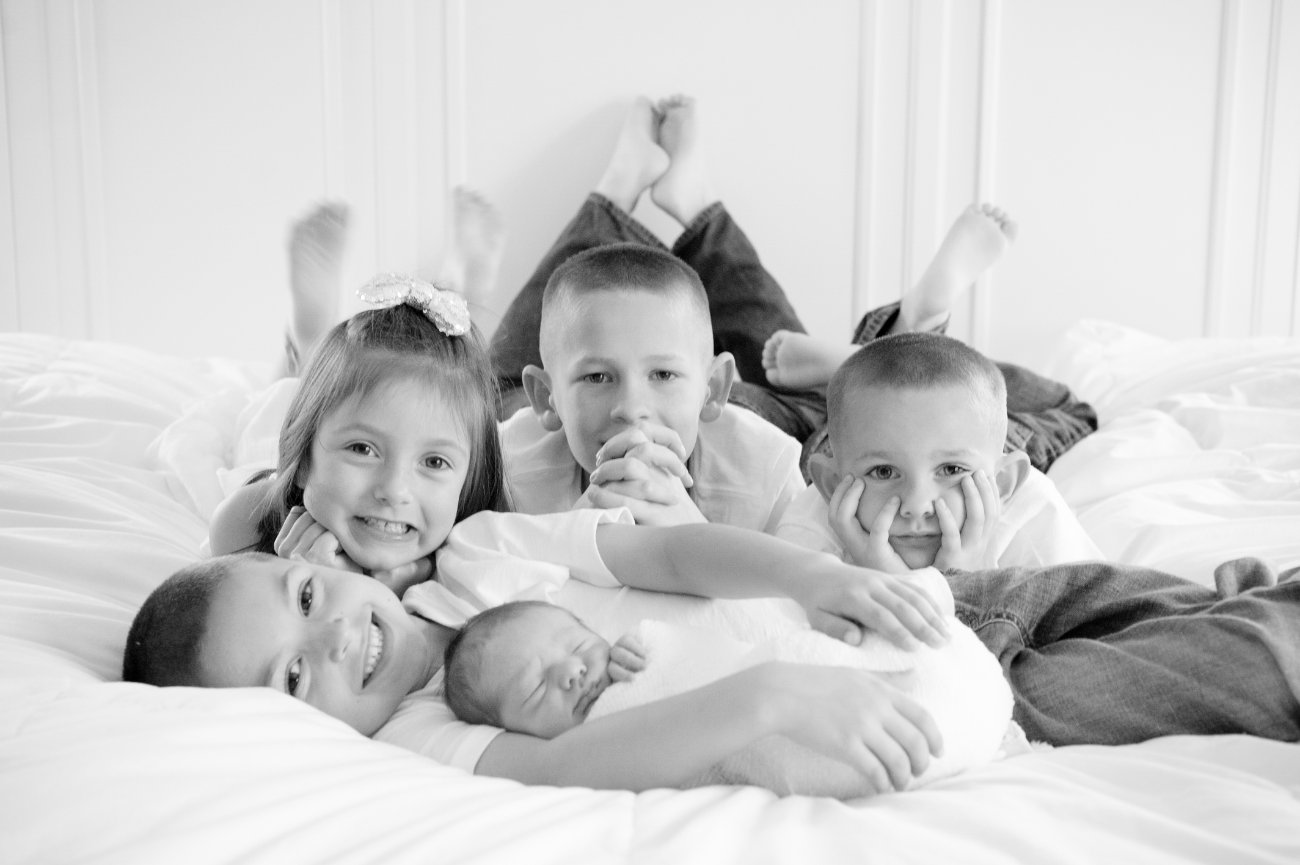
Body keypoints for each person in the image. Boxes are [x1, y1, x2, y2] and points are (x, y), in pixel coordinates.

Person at [487, 94, 1098, 534]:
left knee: (881, 428)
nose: (631, 408)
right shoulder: (506, 462)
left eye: (660, 376)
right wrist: (581, 528)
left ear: (713, 388)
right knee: (505, 386)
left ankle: (620, 196)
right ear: (548, 399)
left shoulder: (765, 464)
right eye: (599, 377)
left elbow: (776, 591)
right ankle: (868, 350)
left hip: (743, 417)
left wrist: (685, 525)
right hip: (739, 409)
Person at [125, 511, 955, 795]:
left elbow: (666, 552)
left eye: (307, 598)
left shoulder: (481, 548)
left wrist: (812, 573)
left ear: (318, 560)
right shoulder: (417, 737)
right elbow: (564, 767)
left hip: (837, 605)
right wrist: (771, 696)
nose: (336, 635)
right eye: (294, 675)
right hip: (811, 706)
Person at [440, 583, 1018, 798]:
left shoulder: (634, 653)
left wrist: (649, 650)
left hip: (803, 667)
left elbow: (713, 654)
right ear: (513, 731)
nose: (571, 672)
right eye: (536, 688)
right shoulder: (594, 748)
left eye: (576, 645)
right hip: (775, 727)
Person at [206, 276, 509, 597]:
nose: (394, 491)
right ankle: (304, 339)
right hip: (277, 446)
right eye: (363, 449)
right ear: (304, 459)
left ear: (468, 484)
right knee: (265, 407)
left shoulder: (474, 570)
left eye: (434, 462)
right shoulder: (245, 525)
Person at [776, 332, 1102, 571]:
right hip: (872, 432)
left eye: (951, 470)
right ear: (832, 485)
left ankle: (864, 354)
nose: (917, 507)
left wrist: (960, 582)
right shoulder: (810, 533)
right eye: (884, 472)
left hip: (995, 431)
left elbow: (1102, 622)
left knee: (1074, 415)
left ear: (1003, 484)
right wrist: (887, 583)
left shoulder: (1032, 515)